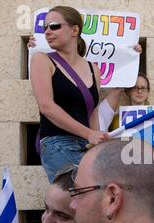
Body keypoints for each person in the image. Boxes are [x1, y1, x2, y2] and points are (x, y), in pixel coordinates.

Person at [30, 5, 110, 183]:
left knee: (91, 203)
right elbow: (46, 106)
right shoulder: (42, 60)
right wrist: (89, 134)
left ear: (74, 30)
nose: (48, 32)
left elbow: (93, 111)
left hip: (86, 145)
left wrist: (96, 143)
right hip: (57, 144)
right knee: (75, 201)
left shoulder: (93, 68)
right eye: (45, 28)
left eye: (54, 26)